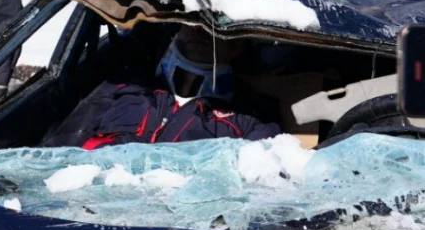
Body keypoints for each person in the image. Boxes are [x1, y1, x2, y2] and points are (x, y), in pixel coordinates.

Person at [42, 26, 281, 148]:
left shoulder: (252, 116)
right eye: (192, 20)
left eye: (216, 26)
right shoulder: (122, 87)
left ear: (239, 44)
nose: (199, 29)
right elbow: (59, 150)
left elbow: (257, 190)